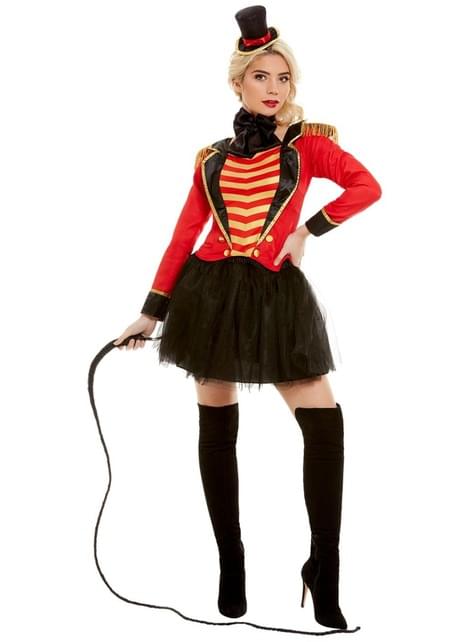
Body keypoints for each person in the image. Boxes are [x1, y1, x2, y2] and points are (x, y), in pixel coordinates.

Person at [114, 4, 382, 631]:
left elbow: (366, 187)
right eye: (261, 77)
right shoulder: (211, 158)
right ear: (237, 83)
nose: (274, 88)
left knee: (323, 424)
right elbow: (184, 236)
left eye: (284, 78)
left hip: (276, 298)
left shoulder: (308, 144)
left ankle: (324, 571)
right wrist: (150, 312)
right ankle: (230, 564)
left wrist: (308, 230)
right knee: (216, 427)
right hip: (209, 296)